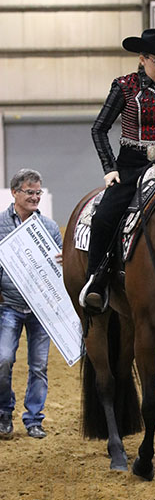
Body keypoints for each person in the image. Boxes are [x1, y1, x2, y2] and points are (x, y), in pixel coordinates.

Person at [79, 28, 155, 312]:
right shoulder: (124, 86)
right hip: (130, 165)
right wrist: (109, 168)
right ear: (142, 58)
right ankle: (96, 280)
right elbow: (99, 129)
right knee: (105, 216)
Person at [0, 169, 62, 440]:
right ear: (15, 193)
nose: (35, 197)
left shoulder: (49, 227)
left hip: (41, 309)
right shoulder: (0, 224)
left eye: (38, 193)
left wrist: (63, 261)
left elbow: (61, 266)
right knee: (3, 360)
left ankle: (34, 419)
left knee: (39, 366)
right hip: (8, 306)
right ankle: (4, 412)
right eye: (30, 192)